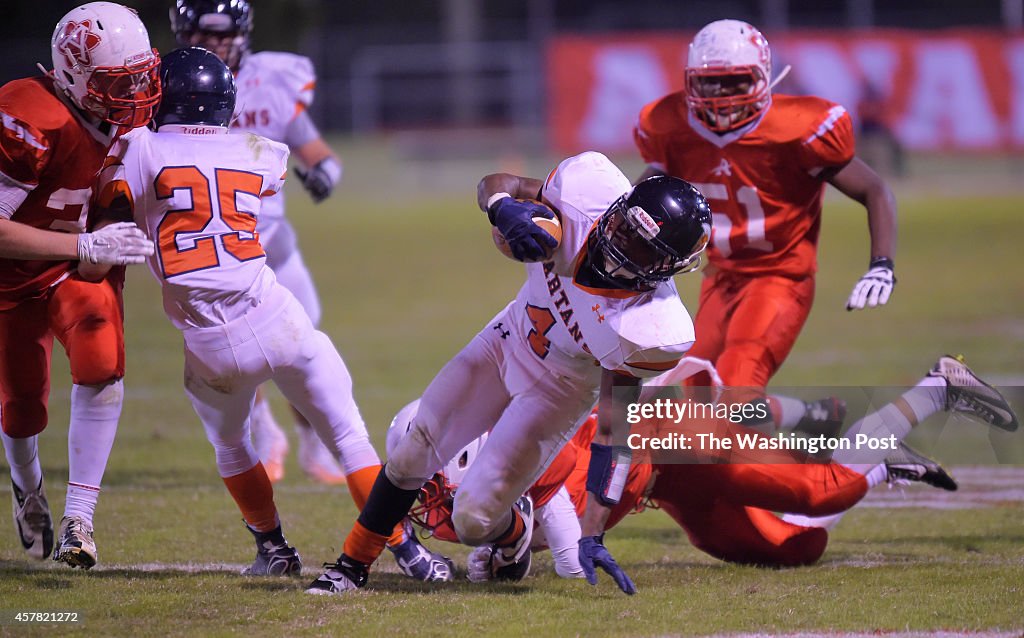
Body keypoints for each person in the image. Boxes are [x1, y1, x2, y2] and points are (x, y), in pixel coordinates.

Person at [88, 46, 453, 581]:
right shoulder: (260, 150)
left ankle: (274, 548)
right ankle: (410, 553)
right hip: (275, 318)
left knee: (232, 444)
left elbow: (110, 215)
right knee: (348, 435)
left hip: (206, 342)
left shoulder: (139, 147)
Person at [305, 151, 712, 596]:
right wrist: (503, 207)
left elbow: (615, 434)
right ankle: (350, 566)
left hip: (559, 391)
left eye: (642, 249)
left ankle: (513, 533)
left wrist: (592, 531)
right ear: (618, 207)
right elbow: (495, 182)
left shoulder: (650, 329)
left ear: (668, 269)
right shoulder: (586, 192)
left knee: (473, 519)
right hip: (509, 338)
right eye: (625, 228)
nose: (622, 244)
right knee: (416, 444)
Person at [396, 355, 1017, 571]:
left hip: (671, 438)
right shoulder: (464, 495)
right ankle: (847, 439)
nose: (436, 504)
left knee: (825, 492)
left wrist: (501, 557)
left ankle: (936, 387)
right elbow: (512, 542)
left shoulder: (536, 458)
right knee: (789, 551)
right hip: (657, 484)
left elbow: (558, 552)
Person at [633, 19, 899, 401]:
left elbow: (874, 188)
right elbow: (640, 198)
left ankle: (871, 460)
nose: (721, 94)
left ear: (762, 77)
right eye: (710, 81)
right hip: (719, 279)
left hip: (780, 279)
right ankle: (807, 415)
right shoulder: (670, 127)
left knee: (734, 390)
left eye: (734, 81)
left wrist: (882, 264)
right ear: (691, 81)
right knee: (695, 396)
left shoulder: (796, 129)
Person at [0, 1, 159, 570]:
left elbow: (112, 195)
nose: (135, 91)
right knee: (22, 408)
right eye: (117, 81)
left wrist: (109, 237)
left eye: (139, 74)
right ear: (72, 74)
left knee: (100, 355)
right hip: (11, 281)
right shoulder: (29, 114)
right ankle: (27, 485)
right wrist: (83, 245)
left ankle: (79, 518)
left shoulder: (124, 121)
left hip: (74, 270)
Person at [169, 0, 346, 484]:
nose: (210, 46)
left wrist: (323, 176)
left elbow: (321, 154)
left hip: (274, 242)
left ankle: (312, 444)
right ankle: (268, 436)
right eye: (201, 36)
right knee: (237, 352)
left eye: (221, 36)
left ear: (241, 34)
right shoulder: (168, 86)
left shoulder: (270, 81)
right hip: (214, 248)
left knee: (304, 345)